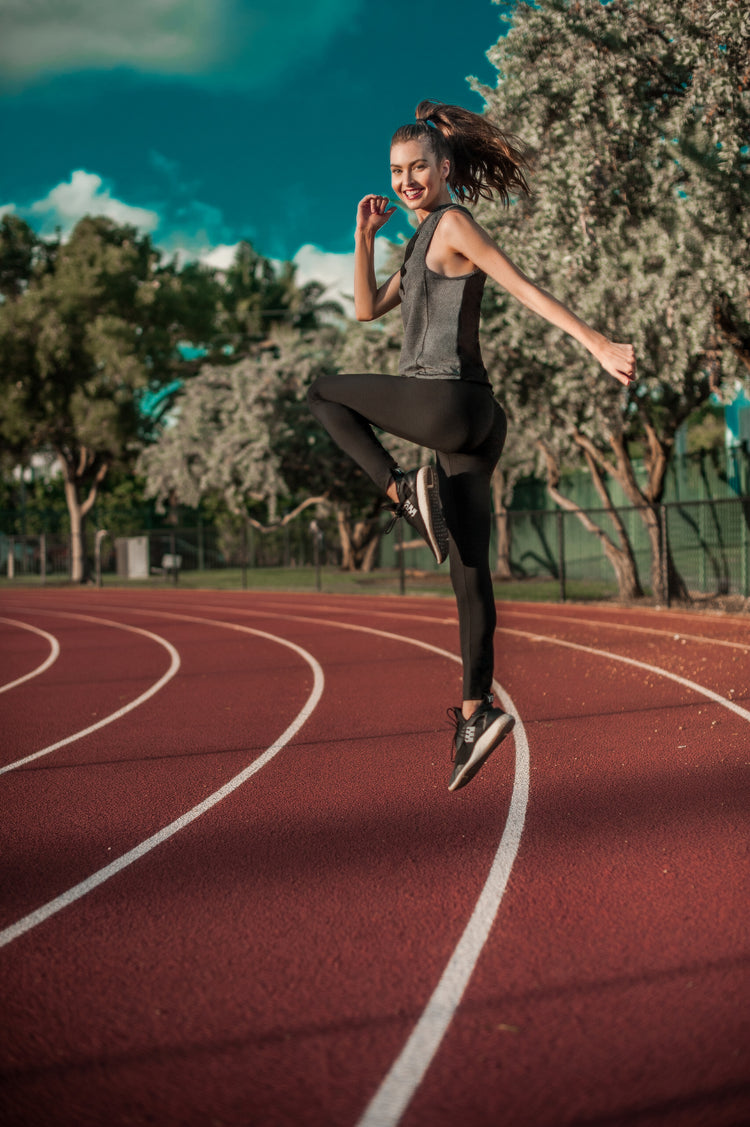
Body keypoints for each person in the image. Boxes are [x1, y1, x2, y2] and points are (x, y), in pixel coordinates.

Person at [308, 100, 635, 792]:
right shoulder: (421, 238)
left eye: (417, 167)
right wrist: (364, 236)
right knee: (469, 572)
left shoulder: (453, 224)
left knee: (323, 392)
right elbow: (367, 310)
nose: (405, 181)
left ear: (443, 166)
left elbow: (525, 288)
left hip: (448, 401)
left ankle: (402, 495)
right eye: (396, 172)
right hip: (478, 418)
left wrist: (597, 342)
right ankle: (474, 712)